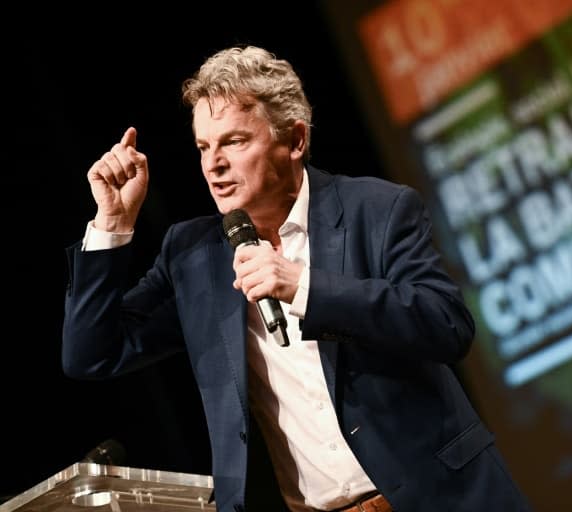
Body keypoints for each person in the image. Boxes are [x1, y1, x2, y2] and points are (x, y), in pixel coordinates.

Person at [62, 45, 531, 512]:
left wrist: (303, 287)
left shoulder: (378, 209)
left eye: (234, 142)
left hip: (439, 500)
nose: (213, 164)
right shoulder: (193, 256)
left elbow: (447, 325)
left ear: (296, 140)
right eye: (204, 146)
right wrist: (112, 224)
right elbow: (92, 354)